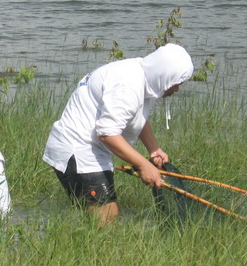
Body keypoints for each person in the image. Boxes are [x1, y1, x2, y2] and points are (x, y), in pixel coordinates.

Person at [43, 43, 194, 224]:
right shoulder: (128, 85)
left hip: (87, 151)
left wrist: (154, 150)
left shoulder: (144, 77)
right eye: (176, 84)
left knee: (98, 220)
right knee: (106, 223)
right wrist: (144, 165)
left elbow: (134, 117)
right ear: (165, 76)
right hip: (79, 151)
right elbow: (107, 134)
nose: (176, 89)